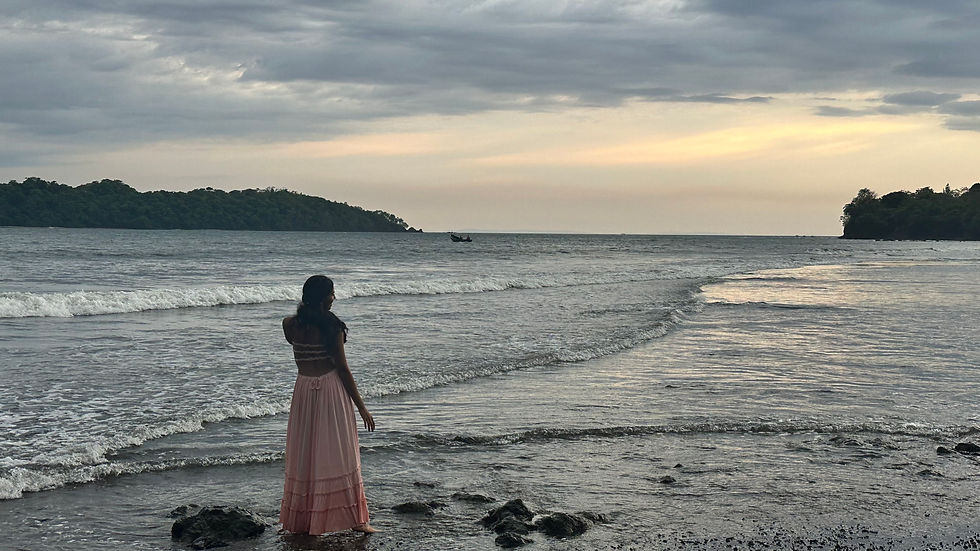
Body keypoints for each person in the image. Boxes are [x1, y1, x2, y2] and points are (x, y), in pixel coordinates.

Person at [279, 275, 377, 535]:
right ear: (323, 298)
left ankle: (303, 521)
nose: (334, 297)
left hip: (303, 390)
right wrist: (362, 407)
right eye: (332, 293)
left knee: (306, 455)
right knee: (340, 453)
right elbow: (342, 369)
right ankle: (357, 521)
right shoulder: (331, 327)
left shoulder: (289, 324)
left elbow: (296, 346)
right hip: (330, 390)